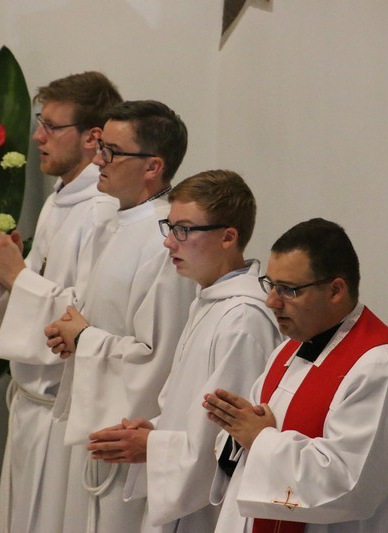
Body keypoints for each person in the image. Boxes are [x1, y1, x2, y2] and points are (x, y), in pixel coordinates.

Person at [0, 72, 122, 533]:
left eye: (52, 126)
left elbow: (87, 316)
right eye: (40, 123)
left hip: (62, 413)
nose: (38, 137)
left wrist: (16, 274)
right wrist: (12, 274)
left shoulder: (102, 209)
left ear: (93, 137)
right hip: (32, 404)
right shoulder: (62, 199)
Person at [86, 170, 284, 532]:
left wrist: (153, 446)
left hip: (207, 513)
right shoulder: (210, 301)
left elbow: (227, 441)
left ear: (228, 237)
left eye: (184, 230)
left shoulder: (242, 319)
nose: (168, 243)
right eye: (170, 227)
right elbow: (194, 409)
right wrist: (156, 428)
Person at [203, 218, 388, 533]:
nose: (271, 301)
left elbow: (349, 484)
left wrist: (260, 438)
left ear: (335, 290)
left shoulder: (379, 369)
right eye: (270, 284)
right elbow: (252, 439)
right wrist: (236, 432)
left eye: (288, 290)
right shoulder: (287, 351)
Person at [44, 100, 196, 532]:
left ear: (153, 166)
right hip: (99, 428)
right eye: (100, 148)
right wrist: (72, 335)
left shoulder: (167, 240)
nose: (97, 160)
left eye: (111, 152)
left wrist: (85, 339)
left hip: (129, 441)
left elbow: (160, 355)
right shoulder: (119, 222)